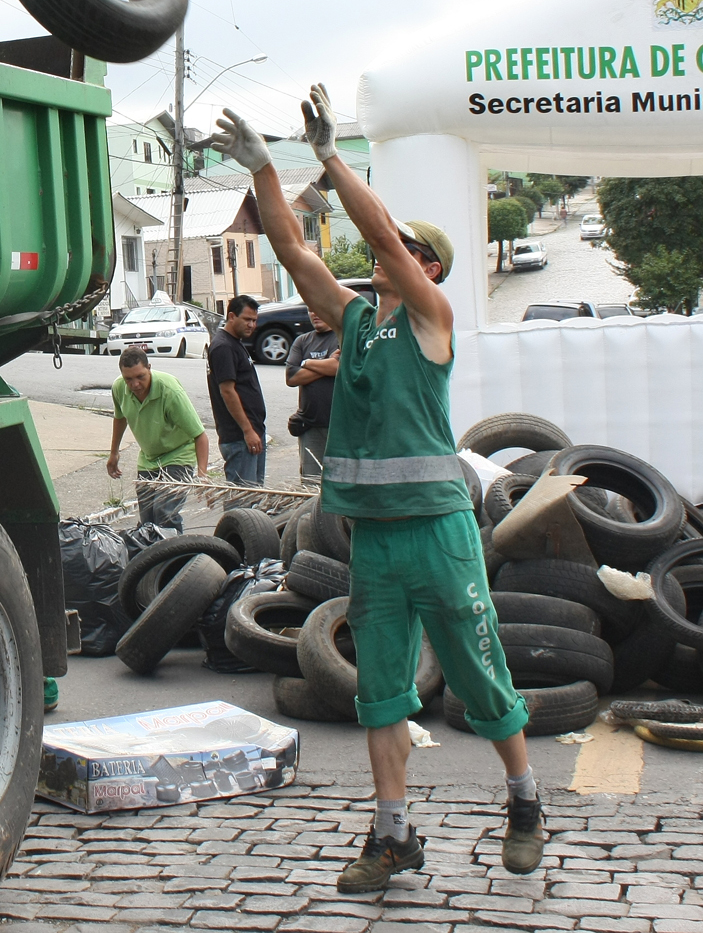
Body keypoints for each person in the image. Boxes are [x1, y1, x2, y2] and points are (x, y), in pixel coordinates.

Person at [211, 84, 543, 893]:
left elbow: (377, 235)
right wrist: (263, 171)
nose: (379, 254)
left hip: (438, 532)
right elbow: (296, 254)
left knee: (477, 673)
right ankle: (391, 836)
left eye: (399, 247)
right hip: (376, 542)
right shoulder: (357, 323)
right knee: (381, 693)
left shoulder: (430, 316)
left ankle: (524, 799)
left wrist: (329, 157)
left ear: (425, 267)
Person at [107, 348, 209, 533]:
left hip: (179, 455)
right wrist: (114, 453)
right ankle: (154, 559)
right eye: (128, 379)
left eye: (140, 377)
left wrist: (202, 475)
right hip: (149, 458)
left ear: (149, 368)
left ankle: (176, 557)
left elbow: (200, 435)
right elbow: (120, 417)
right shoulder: (119, 387)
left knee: (165, 514)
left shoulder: (170, 390)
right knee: (148, 520)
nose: (135, 384)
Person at [206, 297, 267, 485]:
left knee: (255, 498)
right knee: (242, 501)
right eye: (247, 319)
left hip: (252, 433)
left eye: (254, 320)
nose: (251, 325)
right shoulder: (223, 346)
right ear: (231, 316)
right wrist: (247, 430)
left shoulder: (234, 342)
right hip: (239, 437)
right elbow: (227, 391)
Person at [285, 311, 339, 482]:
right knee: (311, 483)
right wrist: (326, 365)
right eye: (310, 309)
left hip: (340, 427)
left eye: (318, 307)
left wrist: (307, 363)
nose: (315, 313)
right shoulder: (302, 341)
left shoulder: (342, 336)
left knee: (339, 483)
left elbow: (339, 368)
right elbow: (292, 378)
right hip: (309, 426)